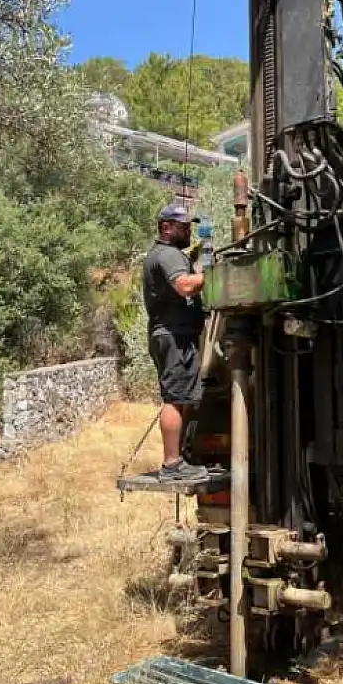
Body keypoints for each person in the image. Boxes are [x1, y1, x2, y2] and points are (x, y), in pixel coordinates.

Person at [143, 202, 209, 481]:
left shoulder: (168, 254)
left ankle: (177, 460)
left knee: (180, 397)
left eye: (189, 227)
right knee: (173, 398)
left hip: (173, 335)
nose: (188, 232)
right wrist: (211, 275)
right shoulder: (167, 255)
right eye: (183, 227)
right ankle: (171, 464)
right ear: (166, 227)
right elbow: (183, 286)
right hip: (173, 335)